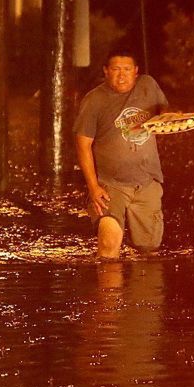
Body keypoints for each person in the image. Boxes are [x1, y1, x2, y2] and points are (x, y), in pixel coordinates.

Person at [75, 47, 169, 259]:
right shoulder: (94, 101)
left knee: (149, 250)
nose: (122, 75)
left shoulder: (148, 85)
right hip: (110, 185)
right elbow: (82, 145)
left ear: (136, 71)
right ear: (106, 71)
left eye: (127, 69)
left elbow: (164, 113)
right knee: (109, 243)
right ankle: (109, 292)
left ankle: (142, 291)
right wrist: (93, 186)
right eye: (116, 69)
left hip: (147, 182)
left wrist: (174, 119)